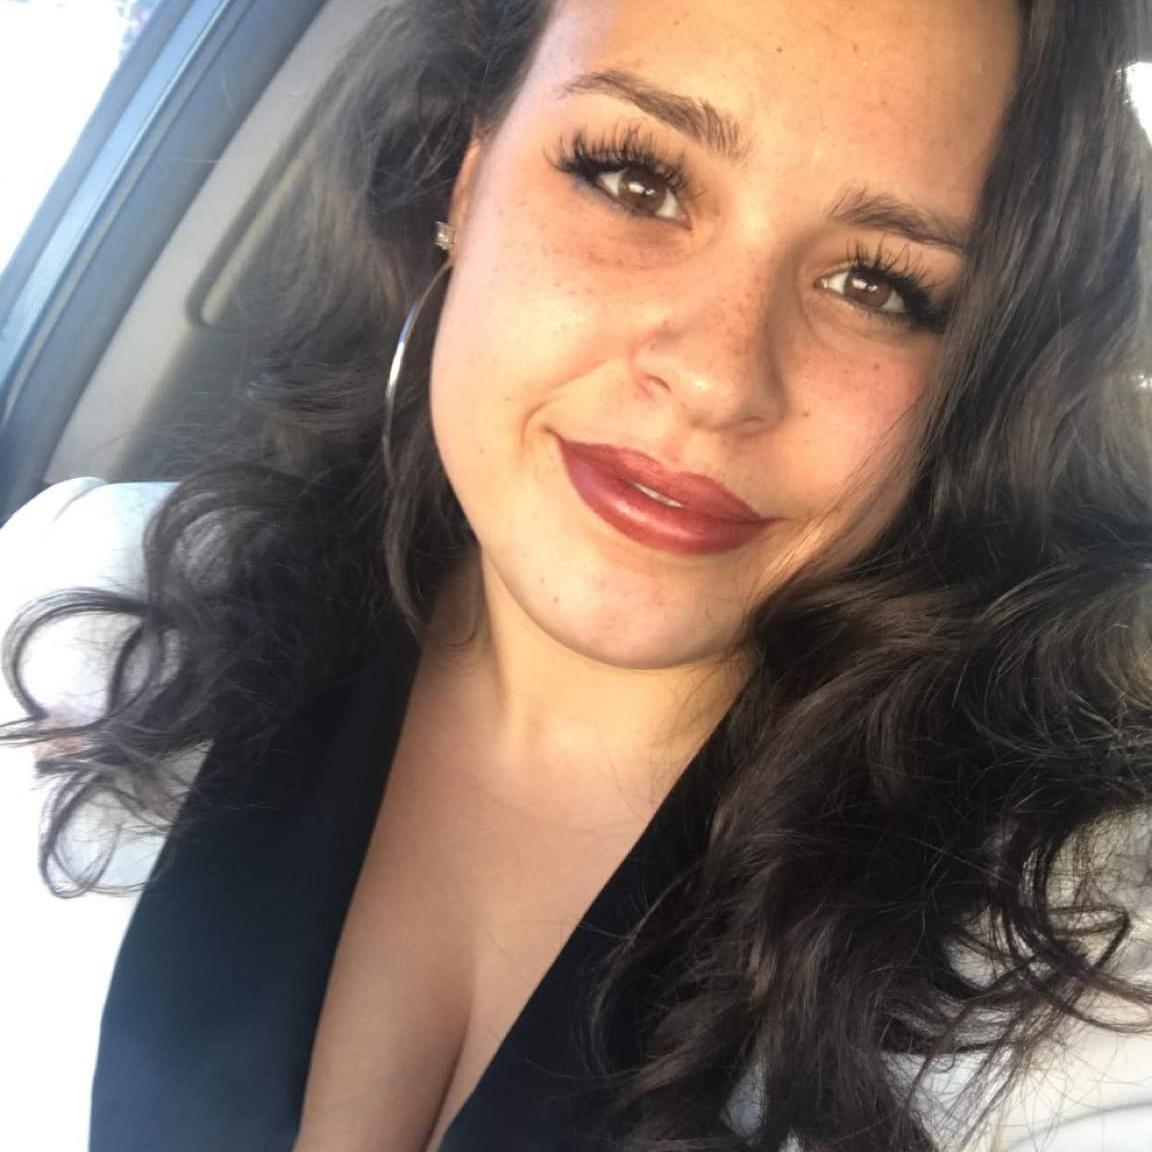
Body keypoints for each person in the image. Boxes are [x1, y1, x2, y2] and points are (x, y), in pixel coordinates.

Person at [2, 0, 1152, 1149]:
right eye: (636, 180)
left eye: (878, 284)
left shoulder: (1086, 941)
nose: (718, 376)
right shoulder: (69, 606)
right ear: (467, 182)